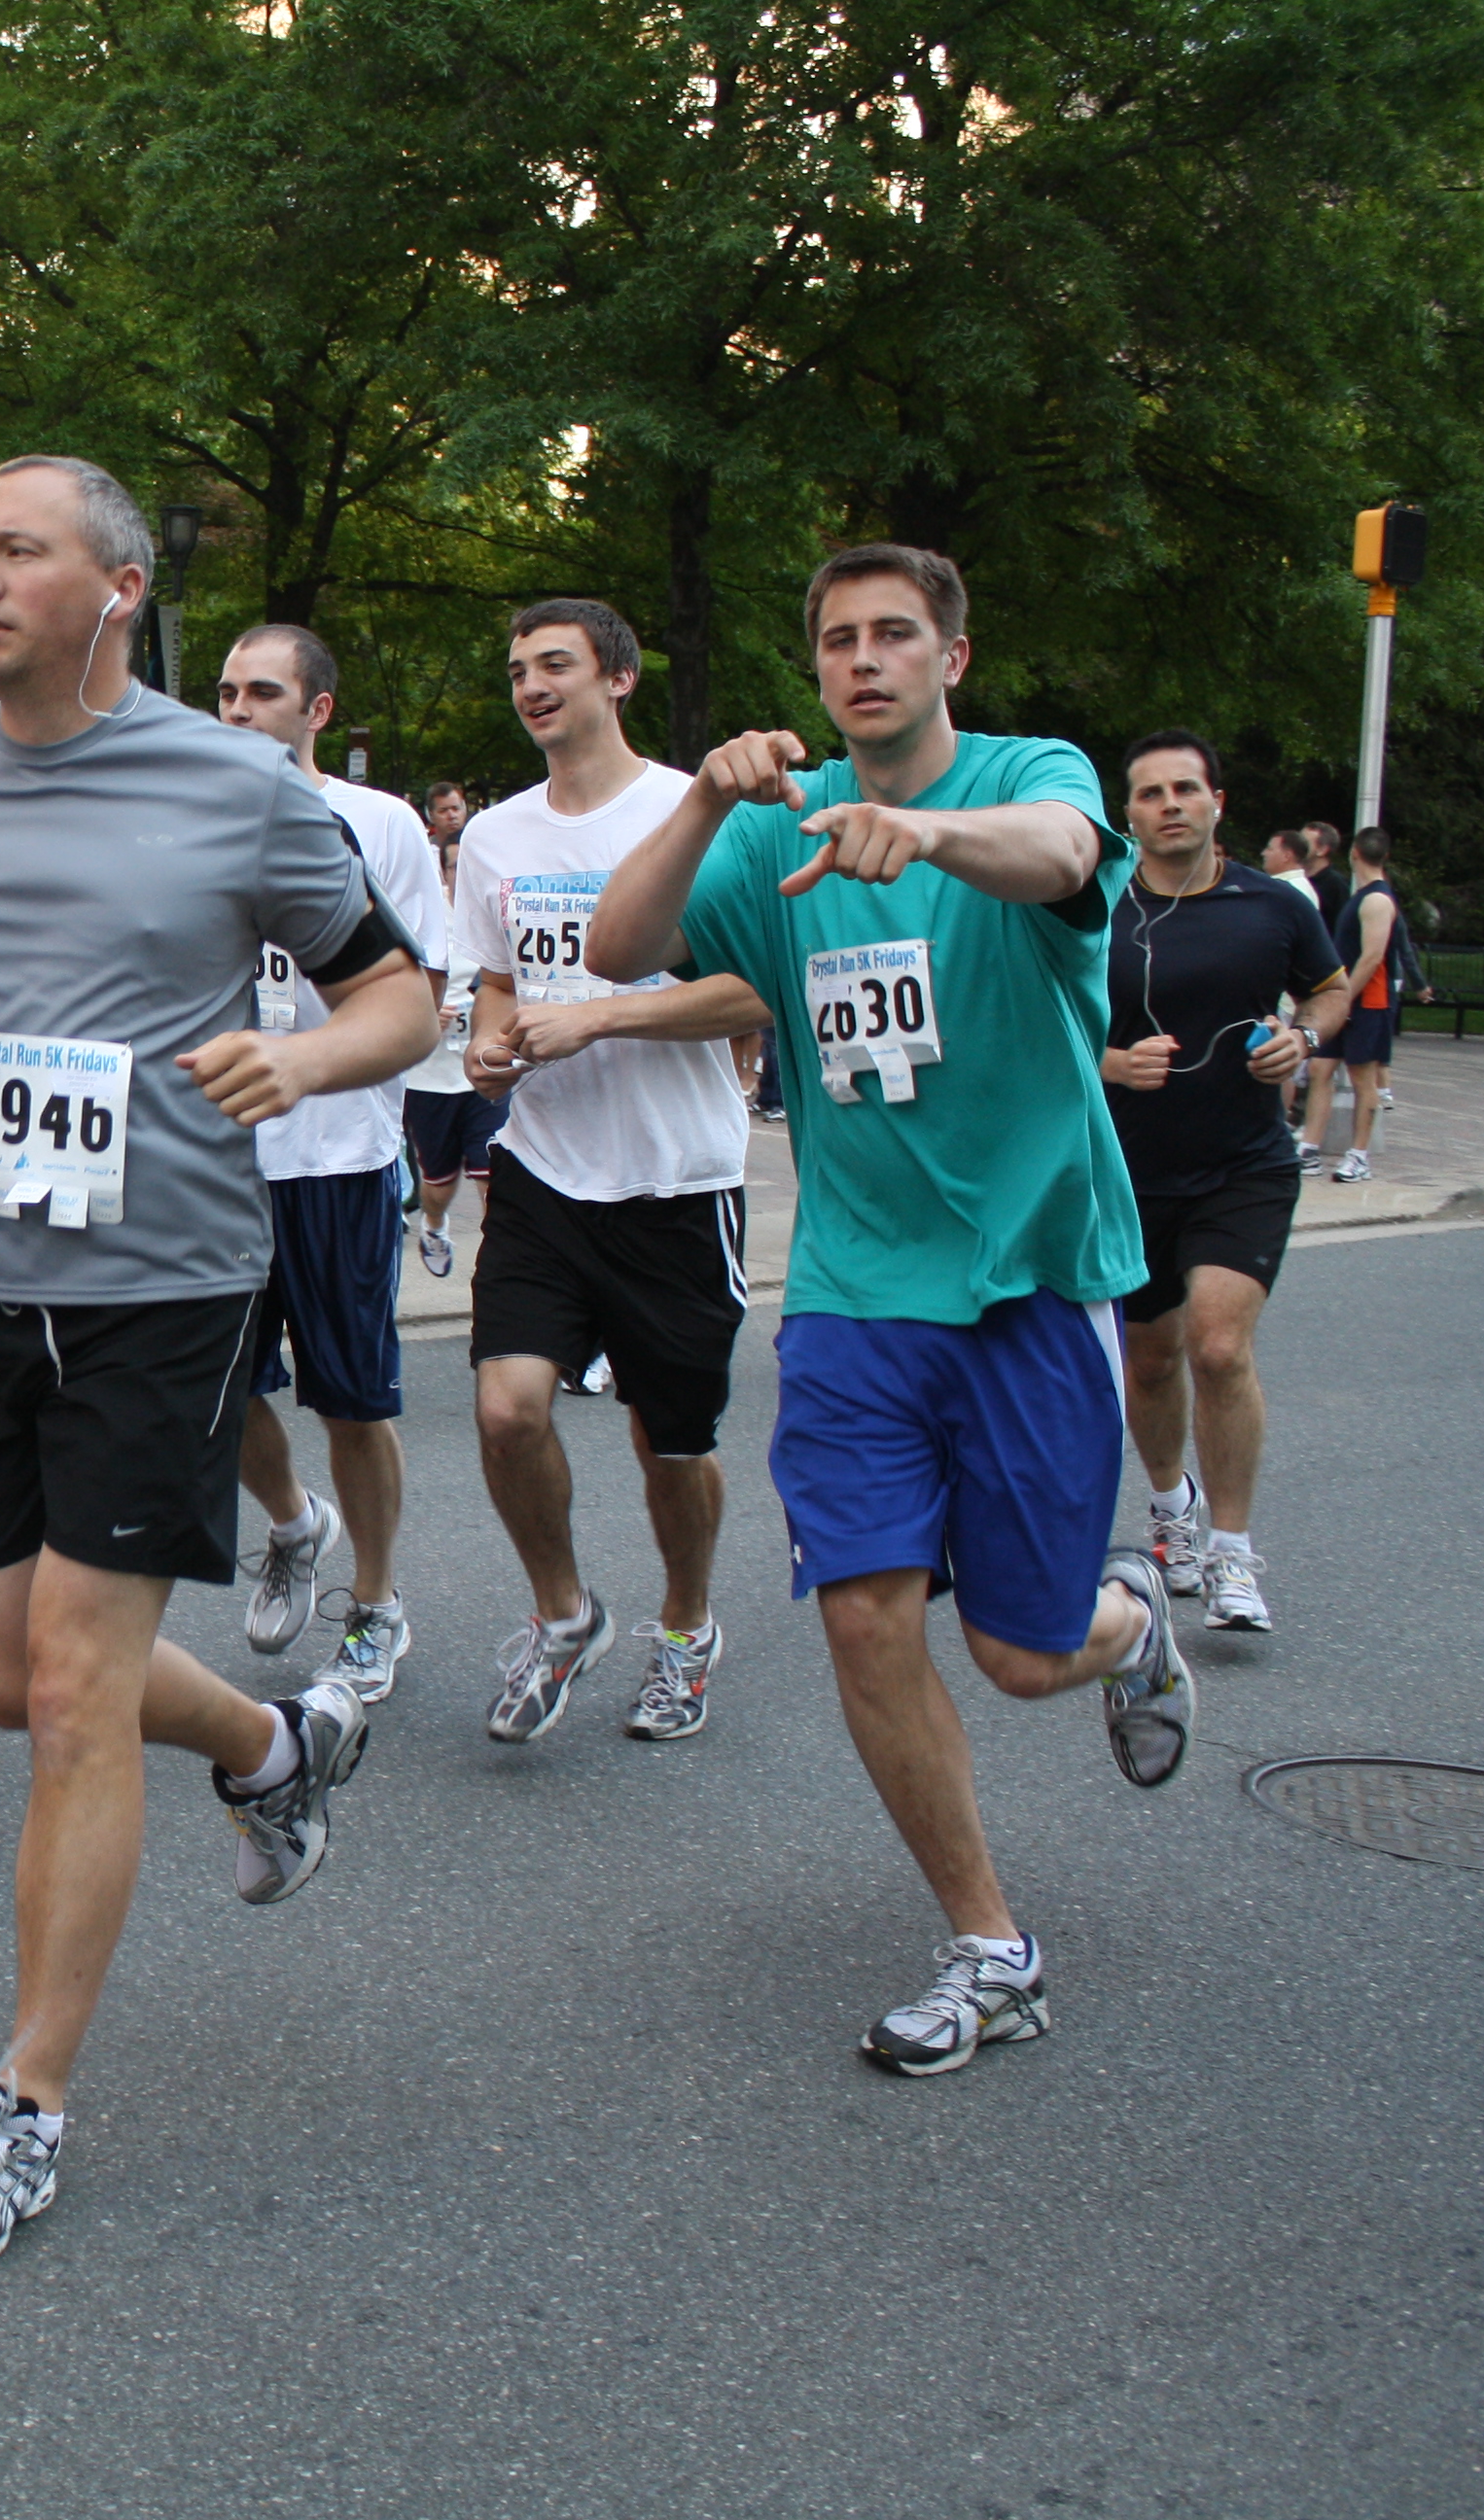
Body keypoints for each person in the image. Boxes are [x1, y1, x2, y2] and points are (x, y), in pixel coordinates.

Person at [0, 454, 432, 2269]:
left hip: (168, 1291)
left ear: (118, 586)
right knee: (4, 1681)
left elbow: (392, 988)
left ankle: (19, 2108)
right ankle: (264, 1741)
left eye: (17, 549)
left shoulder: (234, 784)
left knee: (75, 1703)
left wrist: (306, 1064)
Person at [582, 542, 1192, 2080]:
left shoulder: (1021, 772)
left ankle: (1130, 1628)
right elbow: (618, 949)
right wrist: (707, 799)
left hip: (1029, 1282)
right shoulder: (774, 825)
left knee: (1022, 1652)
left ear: (950, 658)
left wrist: (920, 831)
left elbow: (1059, 854)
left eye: (895, 635)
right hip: (855, 1291)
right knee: (863, 1613)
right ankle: (990, 1945)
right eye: (840, 639)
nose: (864, 660)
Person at [454, 598, 765, 1745]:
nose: (532, 685)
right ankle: (562, 1611)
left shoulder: (697, 812)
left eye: (555, 665)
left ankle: (685, 1625)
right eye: (518, 668)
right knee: (504, 1408)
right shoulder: (495, 835)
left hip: (676, 1180)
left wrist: (603, 1022)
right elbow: (494, 978)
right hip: (544, 1170)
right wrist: (491, 1045)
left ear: (619, 679)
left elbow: (758, 990)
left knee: (670, 1442)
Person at [211, 625, 450, 1706]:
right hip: (216, 1157)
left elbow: (418, 991)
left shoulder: (382, 824)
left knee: (352, 1400)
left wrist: (320, 1069)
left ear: (316, 711)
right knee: (214, 1394)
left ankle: (378, 1603)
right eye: (224, 693)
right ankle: (295, 1524)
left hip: (338, 1153)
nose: (239, 710)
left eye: (264, 692)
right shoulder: (185, 815)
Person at [1099, 730, 1347, 1635]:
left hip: (1243, 1163)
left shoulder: (1272, 904)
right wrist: (1109, 1063)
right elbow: (1035, 1022)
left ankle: (1235, 1556)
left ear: (1216, 804)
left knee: (1215, 1345)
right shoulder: (1099, 909)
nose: (1168, 805)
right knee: (1153, 1358)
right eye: (1150, 793)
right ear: (1127, 813)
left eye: (1185, 790)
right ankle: (1172, 1517)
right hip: (1128, 1171)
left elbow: (1328, 989)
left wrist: (1305, 1037)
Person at [403, 776, 503, 1277]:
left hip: (484, 1070)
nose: (465, 877)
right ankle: (434, 1224)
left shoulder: (498, 915)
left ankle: (501, 1270)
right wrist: (426, 1009)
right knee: (438, 1183)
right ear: (442, 874)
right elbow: (388, 990)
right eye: (456, 869)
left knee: (494, 1180)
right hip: (430, 1074)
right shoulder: (424, 924)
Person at [1296, 826, 1400, 1182]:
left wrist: (1343, 999)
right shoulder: (1364, 896)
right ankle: (1309, 1148)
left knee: (1362, 1079)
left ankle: (1359, 1155)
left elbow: (1372, 958)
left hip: (1367, 1003)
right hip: (1352, 1001)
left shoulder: (1376, 900)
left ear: (1355, 853)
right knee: (1319, 1070)